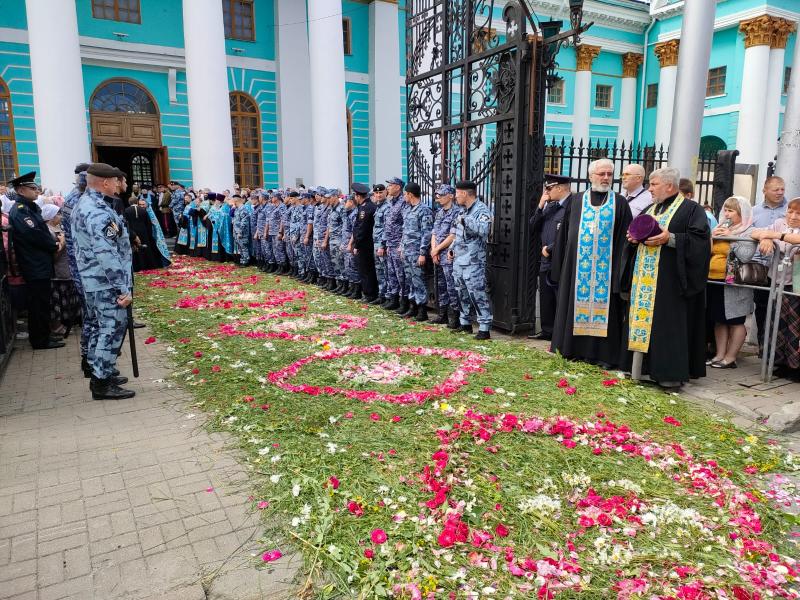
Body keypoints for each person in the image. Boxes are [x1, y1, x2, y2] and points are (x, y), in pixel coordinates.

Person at [626, 167, 711, 387]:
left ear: (669, 186)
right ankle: (640, 369)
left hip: (670, 282)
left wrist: (671, 238)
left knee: (667, 325)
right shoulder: (650, 207)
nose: (649, 189)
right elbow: (636, 233)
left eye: (654, 184)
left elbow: (701, 242)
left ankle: (668, 375)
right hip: (645, 278)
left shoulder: (692, 210)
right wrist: (633, 238)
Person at [549, 158, 633, 369]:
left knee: (609, 313)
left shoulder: (620, 202)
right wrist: (559, 267)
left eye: (609, 174)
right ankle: (573, 350)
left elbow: (626, 240)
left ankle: (603, 356)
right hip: (577, 271)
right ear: (590, 176)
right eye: (601, 174)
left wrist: (621, 273)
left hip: (607, 271)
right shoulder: (577, 200)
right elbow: (564, 235)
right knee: (573, 307)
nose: (605, 178)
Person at [72, 163, 135, 400]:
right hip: (105, 282)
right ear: (106, 182)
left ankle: (102, 371)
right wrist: (122, 288)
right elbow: (106, 252)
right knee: (111, 330)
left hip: (94, 280)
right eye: (115, 180)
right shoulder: (96, 210)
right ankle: (101, 382)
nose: (119, 184)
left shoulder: (87, 203)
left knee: (101, 328)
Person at [7, 172, 63, 350]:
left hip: (40, 263)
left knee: (42, 302)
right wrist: (54, 245)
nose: (37, 190)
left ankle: (44, 336)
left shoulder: (30, 208)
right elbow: (35, 235)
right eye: (32, 188)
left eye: (36, 187)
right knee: (37, 304)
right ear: (21, 190)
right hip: (34, 265)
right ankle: (40, 340)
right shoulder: (21, 211)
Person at [750, 197, 800, 379]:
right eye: (790, 211)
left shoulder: (782, 231)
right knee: (776, 323)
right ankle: (779, 362)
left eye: (798, 213)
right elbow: (755, 232)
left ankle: (795, 366)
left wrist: (776, 236)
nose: (793, 216)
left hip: (796, 285)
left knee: (794, 326)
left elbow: (797, 239)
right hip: (776, 281)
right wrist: (766, 238)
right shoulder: (779, 223)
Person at [705, 195, 757, 369]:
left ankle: (731, 357)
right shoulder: (720, 227)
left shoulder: (748, 230)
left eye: (731, 211)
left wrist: (732, 238)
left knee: (735, 320)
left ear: (741, 213)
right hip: (714, 279)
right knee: (719, 319)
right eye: (725, 210)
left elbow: (745, 255)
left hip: (735, 283)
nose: (726, 214)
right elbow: (708, 252)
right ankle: (719, 355)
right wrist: (711, 237)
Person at [528, 174, 572, 340]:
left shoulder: (572, 206)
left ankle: (560, 334)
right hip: (546, 261)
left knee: (560, 297)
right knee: (546, 297)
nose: (546, 192)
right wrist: (540, 205)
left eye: (549, 188)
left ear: (559, 188)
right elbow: (533, 226)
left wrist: (551, 249)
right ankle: (547, 331)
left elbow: (570, 234)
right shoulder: (551, 206)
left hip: (560, 259)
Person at [449, 180, 493, 339]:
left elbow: (484, 230)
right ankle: (465, 323)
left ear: (465, 193)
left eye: (457, 193)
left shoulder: (481, 210)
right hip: (459, 260)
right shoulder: (462, 210)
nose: (455, 197)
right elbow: (458, 234)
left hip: (473, 262)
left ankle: (484, 327)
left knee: (477, 294)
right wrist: (452, 248)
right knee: (461, 293)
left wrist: (466, 220)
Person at [751, 176, 787, 356]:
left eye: (782, 189)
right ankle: (763, 347)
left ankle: (780, 351)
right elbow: (749, 231)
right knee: (762, 306)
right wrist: (764, 236)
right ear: (765, 190)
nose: (780, 192)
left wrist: (768, 235)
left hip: (783, 268)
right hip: (760, 264)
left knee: (782, 309)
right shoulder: (754, 210)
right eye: (776, 189)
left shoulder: (791, 210)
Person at [43, 204, 82, 338]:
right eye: (57, 214)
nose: (60, 216)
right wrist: (63, 243)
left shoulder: (59, 227)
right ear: (50, 217)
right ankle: (56, 325)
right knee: (57, 300)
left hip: (67, 267)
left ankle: (69, 320)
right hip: (58, 270)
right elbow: (54, 253)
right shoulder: (47, 230)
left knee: (68, 298)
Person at [399, 183, 433, 321]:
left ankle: (422, 310)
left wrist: (422, 253)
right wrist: (402, 247)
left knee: (419, 280)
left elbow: (427, 233)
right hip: (407, 251)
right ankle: (412, 307)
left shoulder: (424, 210)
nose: (403, 197)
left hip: (417, 252)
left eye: (404, 194)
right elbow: (405, 230)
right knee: (410, 280)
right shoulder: (408, 209)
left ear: (410, 194)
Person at [429, 184, 461, 328]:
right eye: (437, 195)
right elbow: (434, 232)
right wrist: (434, 249)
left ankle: (454, 317)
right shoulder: (440, 212)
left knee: (451, 287)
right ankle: (442, 314)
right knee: (440, 286)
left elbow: (452, 236)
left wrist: (437, 249)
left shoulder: (457, 212)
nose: (438, 197)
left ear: (451, 196)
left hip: (449, 255)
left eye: (441, 195)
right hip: (438, 254)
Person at [351, 182, 379, 302]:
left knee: (366, 270)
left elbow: (361, 229)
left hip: (365, 245)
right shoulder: (365, 206)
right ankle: (368, 293)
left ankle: (369, 294)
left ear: (358, 196)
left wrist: (356, 245)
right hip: (366, 244)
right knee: (365, 270)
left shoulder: (366, 208)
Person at [383, 177, 407, 312]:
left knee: (400, 275)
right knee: (392, 273)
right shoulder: (391, 202)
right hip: (390, 244)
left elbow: (405, 225)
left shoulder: (403, 202)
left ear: (398, 187)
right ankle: (394, 299)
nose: (388, 188)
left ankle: (403, 302)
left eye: (391, 185)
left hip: (398, 244)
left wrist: (401, 244)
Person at [124, 196, 165, 271]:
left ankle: (136, 266)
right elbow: (148, 223)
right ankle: (146, 265)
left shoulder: (126, 210)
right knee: (144, 248)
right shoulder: (143, 211)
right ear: (137, 202)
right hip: (144, 232)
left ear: (129, 202)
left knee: (135, 248)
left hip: (133, 232)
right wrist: (149, 233)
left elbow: (125, 223)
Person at [371, 184, 389, 305]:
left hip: (383, 244)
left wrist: (382, 245)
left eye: (380, 193)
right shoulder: (378, 207)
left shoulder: (387, 207)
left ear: (386, 193)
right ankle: (381, 295)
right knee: (379, 271)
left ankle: (388, 297)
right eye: (376, 193)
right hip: (376, 243)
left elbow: (387, 228)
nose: (378, 195)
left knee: (386, 271)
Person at [341, 194, 361, 298]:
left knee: (353, 266)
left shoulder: (355, 213)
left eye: (346, 202)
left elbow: (355, 231)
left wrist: (350, 244)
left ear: (351, 202)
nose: (344, 204)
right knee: (348, 266)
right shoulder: (348, 213)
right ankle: (352, 287)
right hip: (346, 242)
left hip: (351, 244)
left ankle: (356, 290)